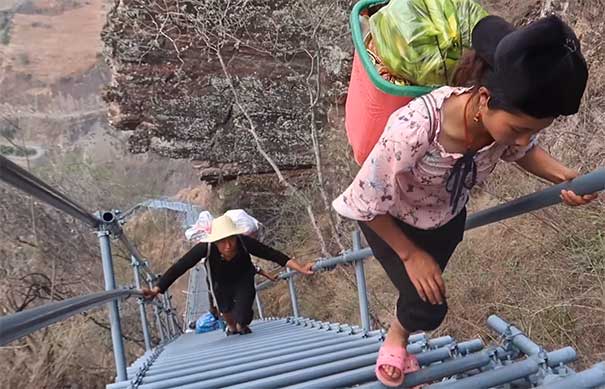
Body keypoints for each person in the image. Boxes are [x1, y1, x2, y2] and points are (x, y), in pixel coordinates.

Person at [333, 15, 598, 387]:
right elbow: (363, 201)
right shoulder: (414, 129)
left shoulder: (501, 125)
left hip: (446, 217)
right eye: (521, 129)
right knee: (428, 304)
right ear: (485, 100)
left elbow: (524, 152)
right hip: (389, 218)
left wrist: (566, 177)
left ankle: (403, 321)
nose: (523, 140)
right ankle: (396, 337)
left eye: (534, 131)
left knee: (424, 287)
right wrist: (411, 255)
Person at [143, 214, 314, 335]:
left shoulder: (243, 242)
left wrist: (301, 268)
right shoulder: (206, 247)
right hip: (219, 283)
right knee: (225, 310)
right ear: (215, 241)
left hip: (243, 279)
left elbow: (273, 255)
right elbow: (180, 266)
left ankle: (240, 324)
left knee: (244, 317)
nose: (228, 245)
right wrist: (157, 289)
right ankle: (231, 327)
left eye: (231, 239)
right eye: (222, 241)